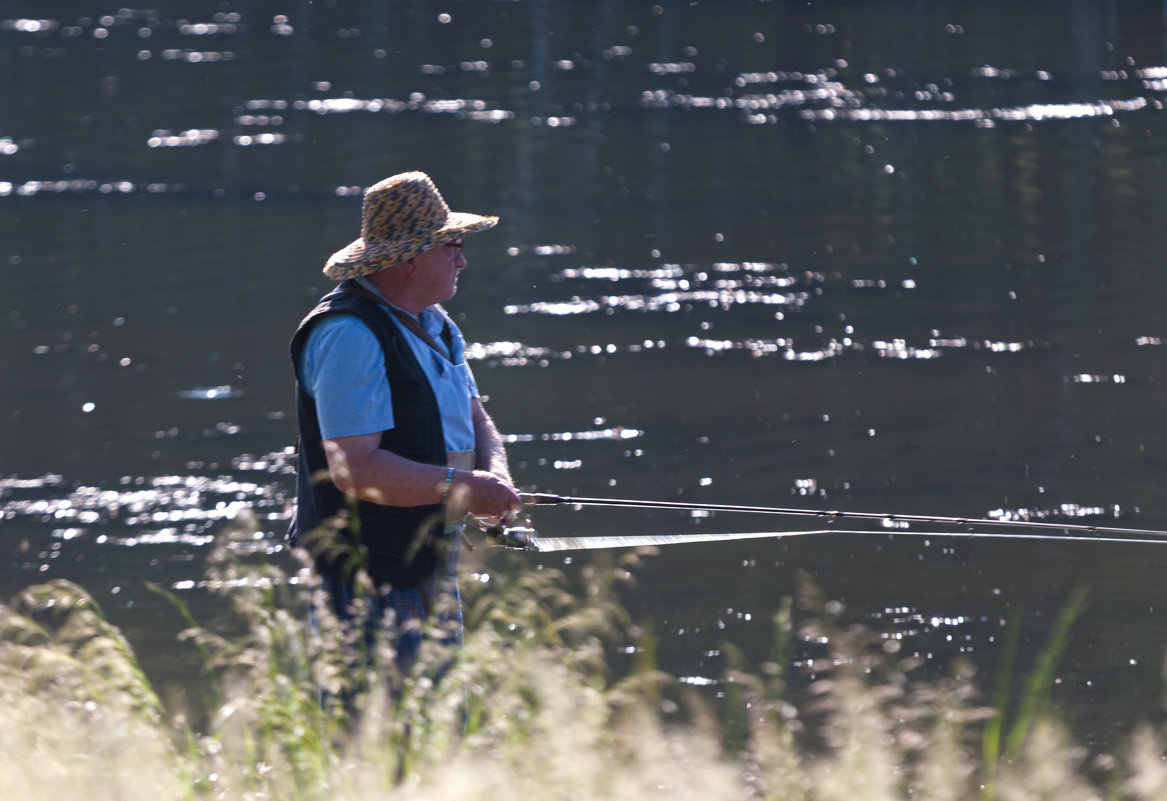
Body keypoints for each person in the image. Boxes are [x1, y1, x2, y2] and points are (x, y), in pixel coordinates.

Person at [288, 170, 523, 689]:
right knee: (378, 742)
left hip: (425, 560)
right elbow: (355, 470)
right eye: (453, 246)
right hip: (365, 573)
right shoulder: (348, 334)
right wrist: (467, 490)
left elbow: (477, 419)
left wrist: (496, 484)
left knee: (436, 732)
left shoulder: (435, 321)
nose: (462, 258)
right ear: (411, 257)